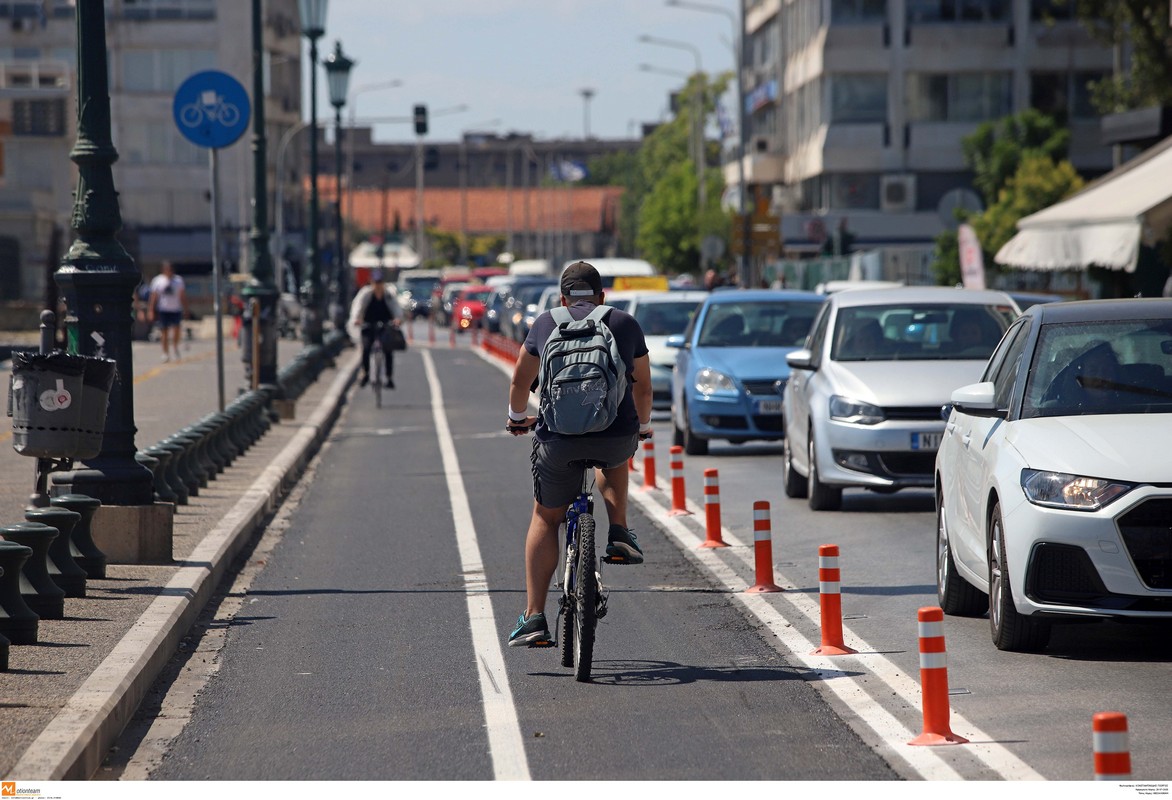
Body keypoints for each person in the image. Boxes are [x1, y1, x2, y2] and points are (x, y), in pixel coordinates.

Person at [505, 261, 653, 647]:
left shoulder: (545, 324)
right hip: (614, 436)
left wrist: (517, 418)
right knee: (615, 455)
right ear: (602, 296)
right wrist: (642, 426)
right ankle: (618, 531)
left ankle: (534, 617)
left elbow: (520, 381)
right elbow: (643, 388)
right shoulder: (624, 323)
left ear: (563, 298)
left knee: (546, 516)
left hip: (558, 440)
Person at [348, 270, 403, 389]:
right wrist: (356, 319)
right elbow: (358, 306)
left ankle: (389, 377)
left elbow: (396, 307)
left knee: (388, 349)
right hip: (368, 324)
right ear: (371, 282)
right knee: (366, 348)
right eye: (376, 282)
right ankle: (366, 373)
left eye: (380, 282)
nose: (378, 285)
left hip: (385, 325)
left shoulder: (388, 294)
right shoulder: (366, 293)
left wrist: (398, 318)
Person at [147, 261, 189, 362]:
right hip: (163, 309)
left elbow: (182, 296)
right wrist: (151, 310)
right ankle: (165, 352)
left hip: (175, 309)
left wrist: (186, 308)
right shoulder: (158, 281)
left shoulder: (178, 280)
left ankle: (175, 347)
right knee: (164, 331)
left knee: (176, 330)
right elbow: (154, 297)